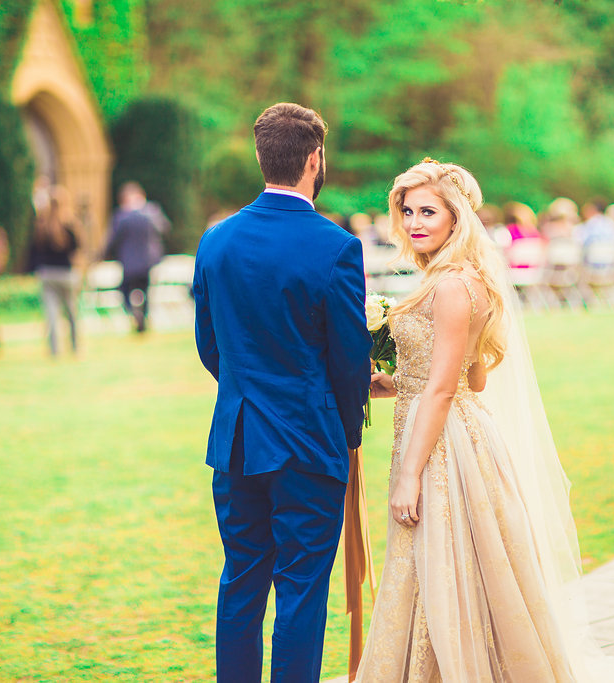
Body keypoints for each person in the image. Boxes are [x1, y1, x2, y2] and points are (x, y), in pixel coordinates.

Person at [357, 159, 614, 682]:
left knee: (440, 558)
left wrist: (411, 474)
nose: (416, 222)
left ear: (456, 218)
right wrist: (394, 381)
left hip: (443, 443)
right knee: (459, 561)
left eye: (429, 212)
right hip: (453, 423)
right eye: (408, 211)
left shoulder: (451, 287)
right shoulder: (462, 278)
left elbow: (444, 388)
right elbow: (474, 377)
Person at [192, 102, 372, 682]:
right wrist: (348, 434)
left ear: (260, 155)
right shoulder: (336, 247)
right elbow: (349, 363)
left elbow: (209, 346)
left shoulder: (215, 241)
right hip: (309, 443)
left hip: (237, 438)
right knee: (300, 589)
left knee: (241, 579)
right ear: (315, 159)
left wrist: (249, 392)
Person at [104, 182, 165, 333]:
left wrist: (104, 255)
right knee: (146, 292)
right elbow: (164, 228)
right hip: (148, 261)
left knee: (124, 290)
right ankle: (142, 317)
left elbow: (113, 239)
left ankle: (133, 313)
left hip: (129, 262)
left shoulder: (122, 216)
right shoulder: (151, 212)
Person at [27, 185, 81, 356]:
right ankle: (75, 347)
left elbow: (34, 251)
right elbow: (77, 250)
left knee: (51, 315)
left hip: (47, 274)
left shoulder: (42, 226)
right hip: (66, 273)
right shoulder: (71, 224)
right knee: (71, 314)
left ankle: (54, 350)